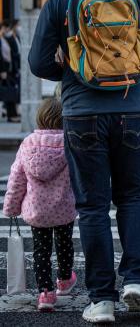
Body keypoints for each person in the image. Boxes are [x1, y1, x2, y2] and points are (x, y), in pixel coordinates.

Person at [28, 0, 140, 323]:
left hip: (83, 113)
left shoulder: (59, 2)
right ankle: (136, 281)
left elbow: (38, 63)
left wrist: (74, 71)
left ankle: (102, 299)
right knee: (133, 197)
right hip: (132, 110)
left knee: (92, 206)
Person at [2, 98, 77, 311]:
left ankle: (45, 294)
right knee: (64, 244)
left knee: (40, 251)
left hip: (37, 210)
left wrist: (10, 207)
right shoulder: (69, 143)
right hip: (64, 207)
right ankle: (64, 280)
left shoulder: (27, 144)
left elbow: (16, 179)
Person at [1, 19, 20, 122]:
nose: (6, 30)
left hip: (9, 68)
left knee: (10, 91)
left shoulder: (4, 39)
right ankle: (10, 114)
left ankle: (12, 114)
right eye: (4, 28)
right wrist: (2, 70)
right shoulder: (2, 39)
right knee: (8, 91)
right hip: (5, 70)